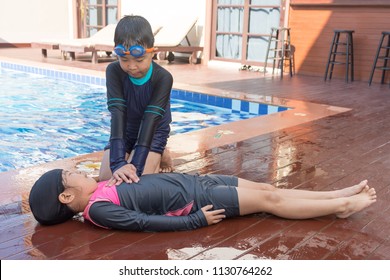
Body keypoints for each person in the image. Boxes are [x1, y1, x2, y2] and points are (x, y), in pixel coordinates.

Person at [28, 169, 377, 232]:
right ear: (66, 195)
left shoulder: (101, 188)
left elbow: (136, 187)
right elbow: (144, 222)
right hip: (198, 200)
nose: (77, 170)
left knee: (266, 186)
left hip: (198, 181)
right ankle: (340, 207)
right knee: (270, 199)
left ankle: (333, 195)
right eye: (70, 173)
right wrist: (194, 221)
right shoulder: (96, 211)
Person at [99, 15, 173, 186]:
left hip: (153, 131)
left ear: (153, 52)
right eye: (124, 60)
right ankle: (139, 155)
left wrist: (135, 169)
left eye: (139, 60)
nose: (132, 66)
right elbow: (117, 113)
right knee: (105, 178)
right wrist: (118, 164)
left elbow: (150, 120)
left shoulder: (163, 78)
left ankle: (161, 151)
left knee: (137, 183)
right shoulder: (114, 71)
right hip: (125, 131)